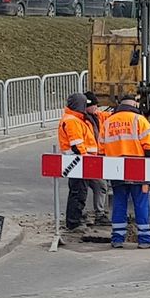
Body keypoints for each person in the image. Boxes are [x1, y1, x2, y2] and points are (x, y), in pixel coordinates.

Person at [100, 96, 150, 249]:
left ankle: (117, 239)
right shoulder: (139, 120)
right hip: (139, 171)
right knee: (141, 202)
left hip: (116, 170)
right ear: (134, 104)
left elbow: (101, 150)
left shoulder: (108, 122)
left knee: (119, 202)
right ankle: (144, 240)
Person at [57, 92, 97, 232]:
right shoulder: (73, 121)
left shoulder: (75, 119)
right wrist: (85, 158)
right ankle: (74, 222)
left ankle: (76, 219)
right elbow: (77, 144)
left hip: (78, 161)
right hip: (78, 162)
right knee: (78, 192)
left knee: (79, 191)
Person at [82, 92, 111, 226]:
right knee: (100, 185)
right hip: (86, 159)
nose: (96, 109)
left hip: (94, 159)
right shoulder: (82, 120)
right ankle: (99, 214)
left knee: (89, 187)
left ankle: (88, 214)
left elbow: (110, 117)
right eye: (93, 106)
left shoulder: (96, 116)